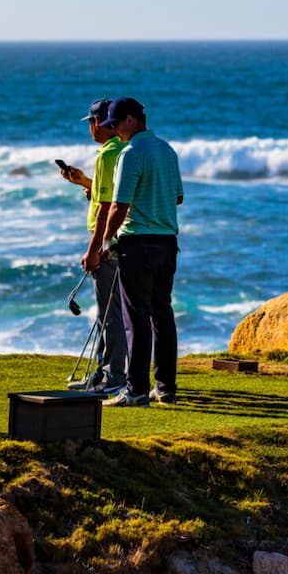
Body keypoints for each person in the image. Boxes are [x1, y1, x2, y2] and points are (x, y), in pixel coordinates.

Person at [98, 98, 183, 407]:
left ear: (131, 120)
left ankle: (135, 390)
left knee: (136, 318)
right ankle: (165, 388)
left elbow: (119, 205)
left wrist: (107, 240)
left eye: (116, 125)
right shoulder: (167, 150)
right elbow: (178, 198)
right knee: (163, 315)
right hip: (167, 243)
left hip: (137, 244)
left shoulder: (131, 153)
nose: (114, 131)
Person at [61, 98, 128, 395]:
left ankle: (113, 377)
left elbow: (104, 207)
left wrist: (94, 249)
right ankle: (103, 372)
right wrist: (83, 182)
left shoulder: (107, 155)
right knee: (111, 311)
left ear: (99, 123)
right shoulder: (124, 151)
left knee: (109, 312)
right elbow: (112, 197)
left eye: (91, 122)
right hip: (124, 237)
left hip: (107, 240)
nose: (90, 127)